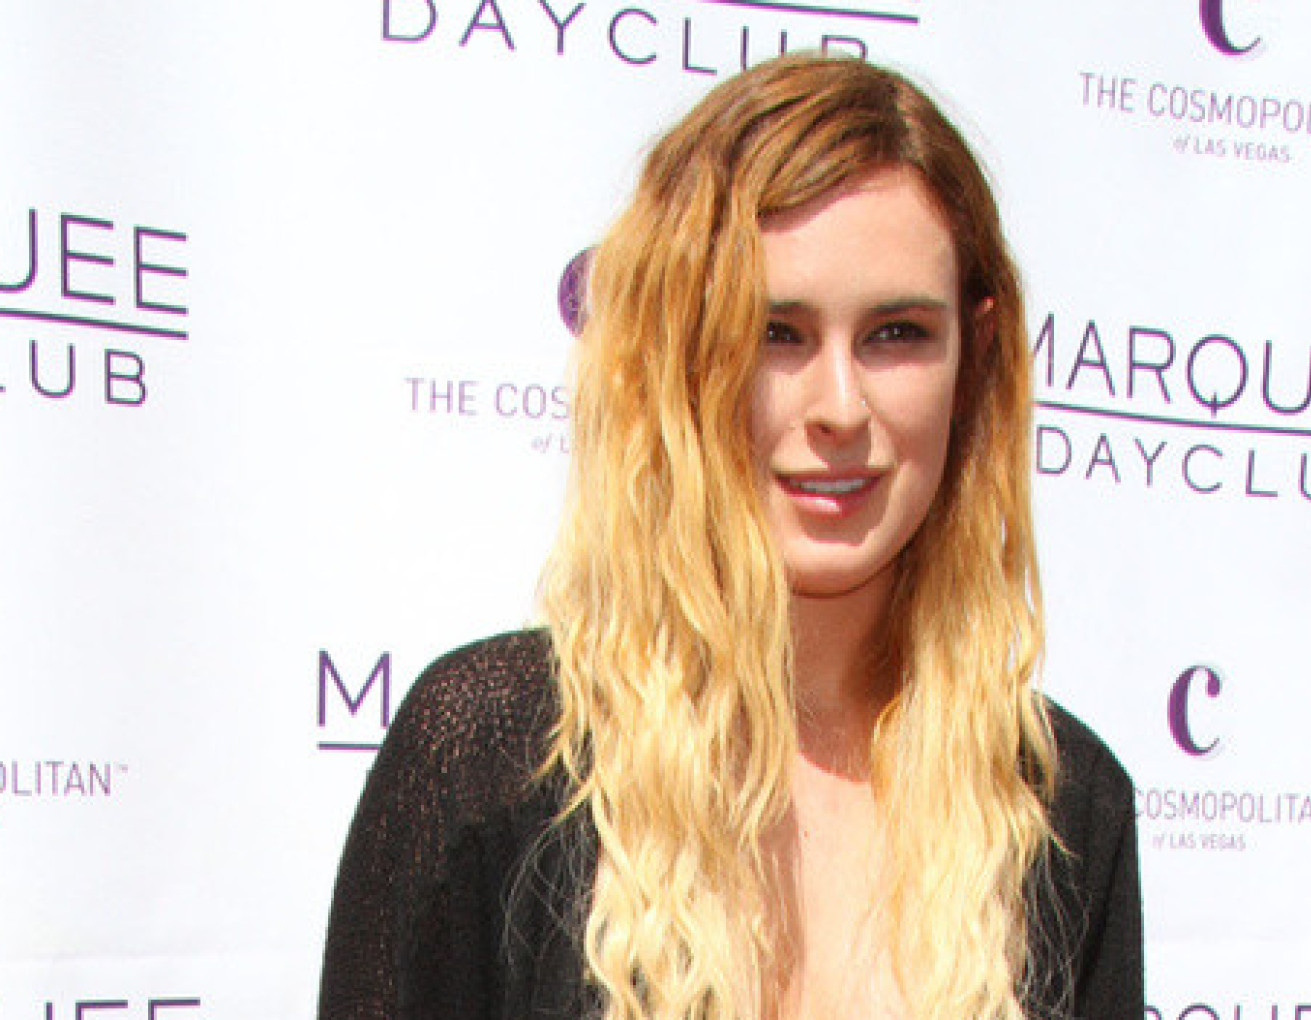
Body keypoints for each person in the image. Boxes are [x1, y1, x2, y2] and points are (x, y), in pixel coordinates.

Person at [319, 53, 1142, 1020]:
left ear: (977, 355)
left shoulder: (1062, 806)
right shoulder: (492, 756)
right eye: (774, 333)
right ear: (676, 358)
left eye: (897, 334)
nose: (842, 407)